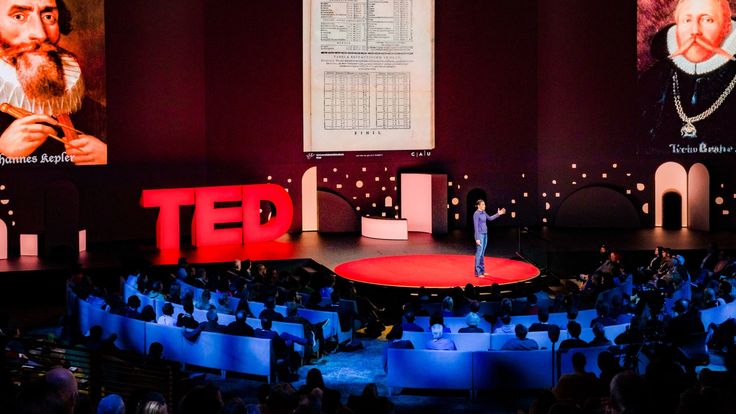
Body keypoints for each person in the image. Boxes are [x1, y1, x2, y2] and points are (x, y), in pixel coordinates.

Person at [0, 0, 107, 164]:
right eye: (19, 16)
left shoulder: (86, 107)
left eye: (48, 16)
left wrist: (107, 155)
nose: (40, 34)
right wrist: (2, 149)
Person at [640, 0, 736, 152]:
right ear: (677, 27)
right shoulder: (652, 79)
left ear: (726, 28)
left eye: (707, 19)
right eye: (687, 20)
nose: (695, 31)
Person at [472, 199, 506, 277]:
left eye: (484, 204)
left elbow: (490, 218)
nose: (484, 206)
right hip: (479, 235)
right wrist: (477, 238)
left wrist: (498, 213)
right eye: (483, 204)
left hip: (485, 234)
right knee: (479, 253)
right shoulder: (476, 214)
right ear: (478, 206)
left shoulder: (483, 212)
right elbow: (476, 227)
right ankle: (478, 272)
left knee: (482, 253)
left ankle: (482, 271)